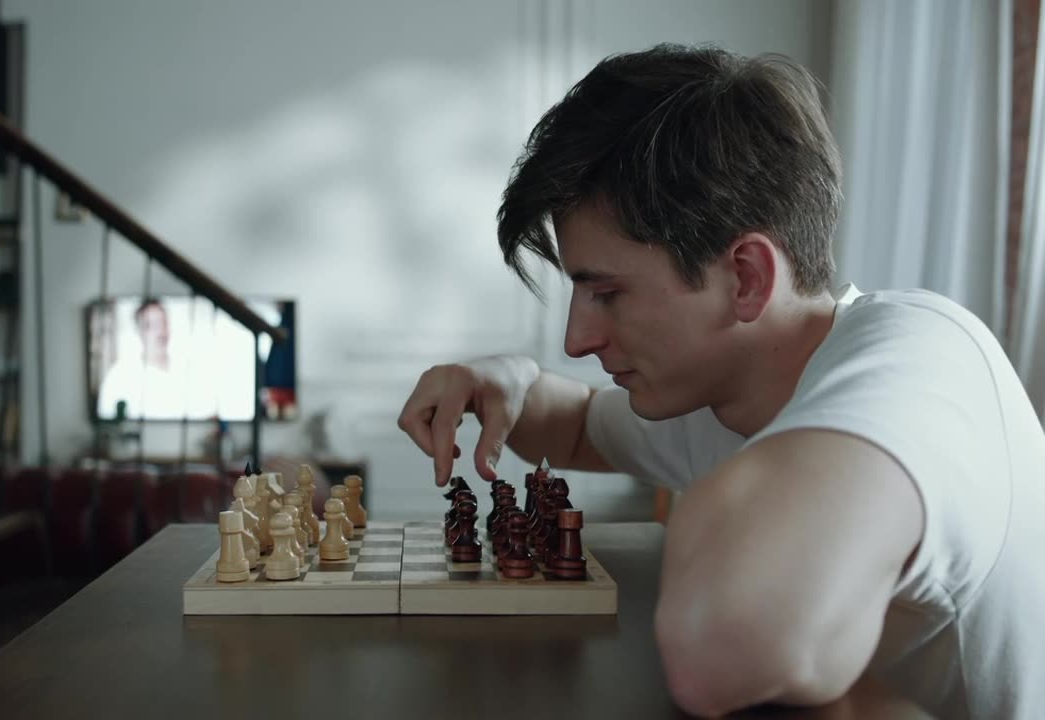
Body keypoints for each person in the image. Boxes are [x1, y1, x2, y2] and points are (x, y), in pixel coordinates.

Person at [397, 44, 1044, 720]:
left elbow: (728, 641)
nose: (576, 340)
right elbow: (577, 425)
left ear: (746, 278)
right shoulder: (722, 396)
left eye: (607, 293)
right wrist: (505, 376)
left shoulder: (922, 356)